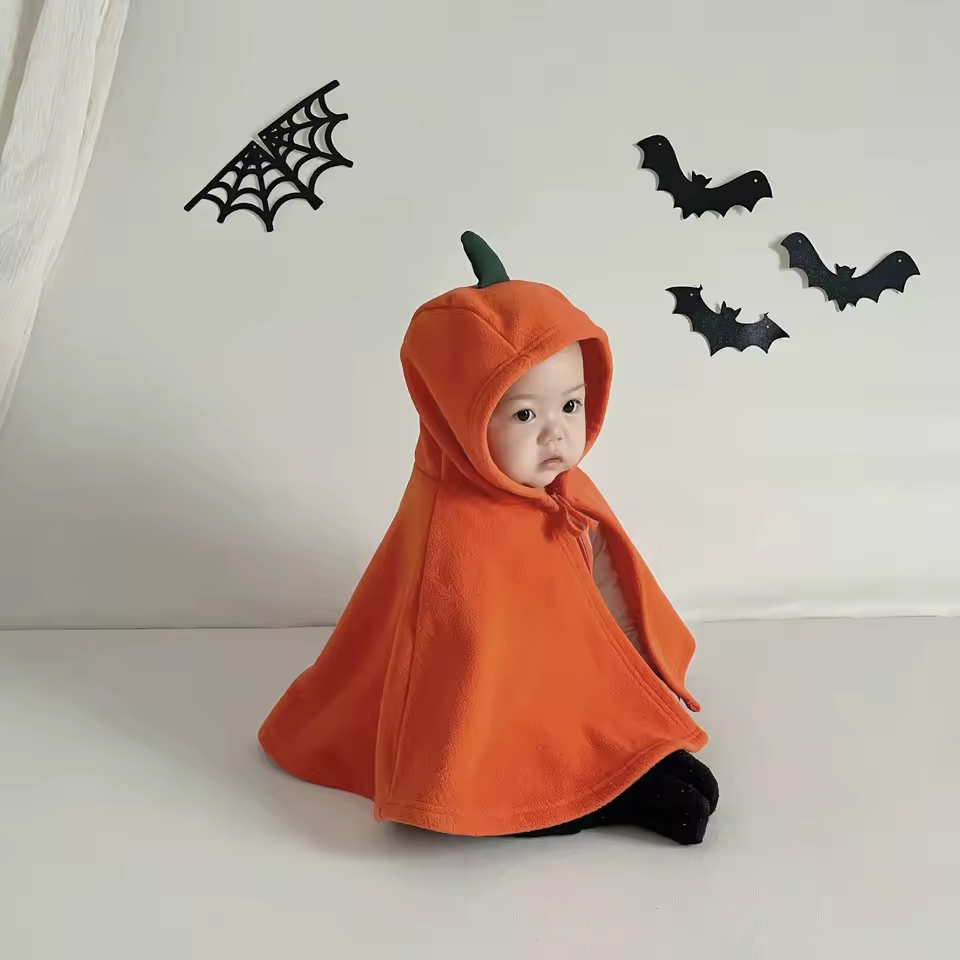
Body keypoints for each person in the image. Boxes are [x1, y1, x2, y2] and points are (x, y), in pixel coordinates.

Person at [259, 232, 719, 845]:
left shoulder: (561, 490)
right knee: (532, 738)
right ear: (458, 418)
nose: (557, 435)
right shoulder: (456, 534)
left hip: (562, 682)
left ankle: (619, 757)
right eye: (525, 414)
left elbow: (607, 584)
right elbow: (459, 673)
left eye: (571, 406)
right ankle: (575, 797)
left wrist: (642, 676)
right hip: (501, 717)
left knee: (665, 760)